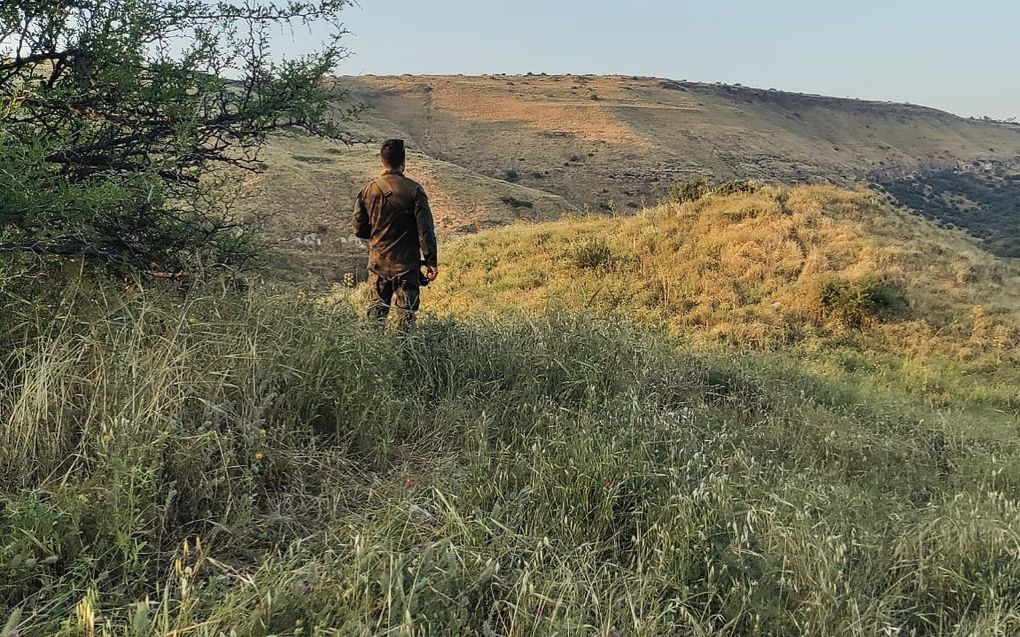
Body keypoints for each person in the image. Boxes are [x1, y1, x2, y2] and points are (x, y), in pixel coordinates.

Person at [353, 139, 439, 328]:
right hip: (407, 266)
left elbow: (359, 229)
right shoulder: (414, 190)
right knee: (406, 321)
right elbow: (425, 230)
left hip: (378, 264)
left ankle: (374, 356)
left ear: (382, 160)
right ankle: (403, 357)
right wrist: (431, 261)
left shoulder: (368, 190)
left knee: (374, 320)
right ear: (404, 161)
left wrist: (380, 235)